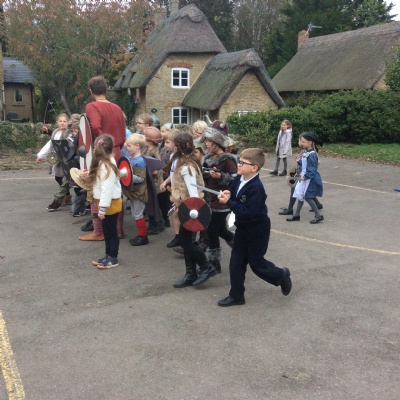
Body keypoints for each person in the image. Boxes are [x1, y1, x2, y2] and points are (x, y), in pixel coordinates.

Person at [217, 148, 292, 307]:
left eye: (242, 163)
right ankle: (236, 295)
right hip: (242, 228)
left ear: (254, 168)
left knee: (256, 263)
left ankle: (281, 275)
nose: (238, 164)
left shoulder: (256, 187)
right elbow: (235, 195)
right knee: (236, 263)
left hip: (257, 229)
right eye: (239, 161)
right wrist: (229, 194)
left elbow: (248, 212)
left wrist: (229, 203)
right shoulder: (239, 178)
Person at [79, 75, 125, 241]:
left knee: (95, 190)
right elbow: (123, 130)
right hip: (117, 151)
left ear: (91, 91)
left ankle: (98, 231)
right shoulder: (117, 107)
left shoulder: (92, 106)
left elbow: (95, 126)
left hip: (102, 153)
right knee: (115, 190)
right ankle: (118, 230)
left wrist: (100, 144)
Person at [171, 132, 217, 288]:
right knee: (186, 241)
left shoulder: (187, 167)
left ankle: (206, 266)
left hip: (191, 210)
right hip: (185, 207)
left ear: (178, 147)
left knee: (186, 241)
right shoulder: (183, 163)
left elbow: (193, 194)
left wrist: (187, 210)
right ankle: (190, 273)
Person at [80, 134, 122, 269]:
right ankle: (108, 255)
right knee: (107, 231)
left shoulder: (107, 165)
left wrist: (102, 209)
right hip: (105, 203)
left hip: (109, 203)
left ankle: (113, 257)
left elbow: (107, 190)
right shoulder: (103, 162)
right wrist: (87, 174)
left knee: (111, 232)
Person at [202, 127, 237, 273]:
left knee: (212, 230)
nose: (206, 143)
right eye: (206, 140)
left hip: (223, 200)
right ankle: (240, 246)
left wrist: (221, 176)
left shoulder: (228, 159)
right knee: (221, 229)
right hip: (211, 199)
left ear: (217, 143)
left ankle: (214, 263)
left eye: (209, 141)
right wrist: (206, 173)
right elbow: (203, 176)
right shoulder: (208, 158)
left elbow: (236, 180)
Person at [36, 113, 73, 211]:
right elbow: (50, 145)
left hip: (68, 159)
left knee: (67, 179)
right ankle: (67, 197)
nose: (62, 123)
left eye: (65, 121)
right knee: (58, 178)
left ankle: (61, 198)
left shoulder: (69, 133)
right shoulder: (55, 132)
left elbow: (71, 143)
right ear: (57, 122)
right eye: (60, 121)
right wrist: (40, 156)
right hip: (58, 159)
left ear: (68, 122)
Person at [279, 135, 323, 216]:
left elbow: (311, 169)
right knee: (300, 194)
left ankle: (318, 215)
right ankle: (297, 214)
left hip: (308, 178)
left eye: (303, 142)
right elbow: (305, 164)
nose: (301, 143)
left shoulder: (311, 154)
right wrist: (299, 162)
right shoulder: (306, 152)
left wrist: (304, 177)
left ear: (310, 142)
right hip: (303, 175)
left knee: (306, 195)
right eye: (300, 141)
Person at [123, 133, 149, 246]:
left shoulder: (140, 161)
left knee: (138, 215)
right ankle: (141, 235)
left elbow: (141, 178)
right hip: (133, 192)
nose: (127, 148)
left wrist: (126, 176)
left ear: (137, 146)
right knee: (135, 214)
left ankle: (143, 237)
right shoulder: (130, 158)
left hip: (139, 192)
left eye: (129, 146)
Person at [143, 126, 164, 235]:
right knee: (154, 204)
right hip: (151, 182)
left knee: (152, 205)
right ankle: (159, 224)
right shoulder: (148, 150)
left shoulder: (153, 153)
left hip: (153, 183)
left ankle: (154, 225)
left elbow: (155, 171)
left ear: (149, 141)